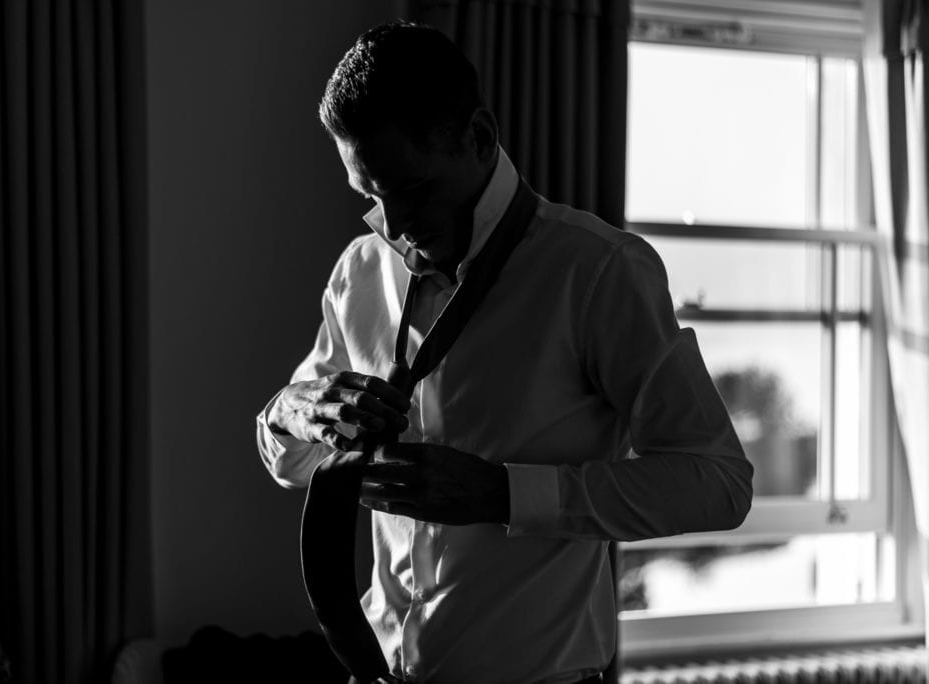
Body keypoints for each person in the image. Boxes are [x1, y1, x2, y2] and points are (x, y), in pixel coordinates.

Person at [256, 21, 753, 684]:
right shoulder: (360, 272)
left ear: (481, 137)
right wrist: (291, 409)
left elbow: (719, 485)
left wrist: (504, 494)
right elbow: (292, 462)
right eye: (370, 197)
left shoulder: (597, 272)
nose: (392, 226)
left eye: (412, 189)